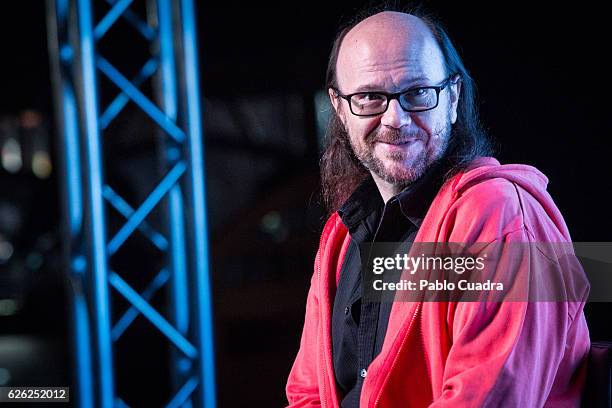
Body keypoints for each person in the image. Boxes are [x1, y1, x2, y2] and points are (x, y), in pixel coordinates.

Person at [285, 6, 590, 408]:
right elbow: (307, 394)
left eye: (417, 93)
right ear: (340, 109)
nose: (396, 118)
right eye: (370, 97)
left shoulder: (500, 217)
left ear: (452, 97)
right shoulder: (342, 238)